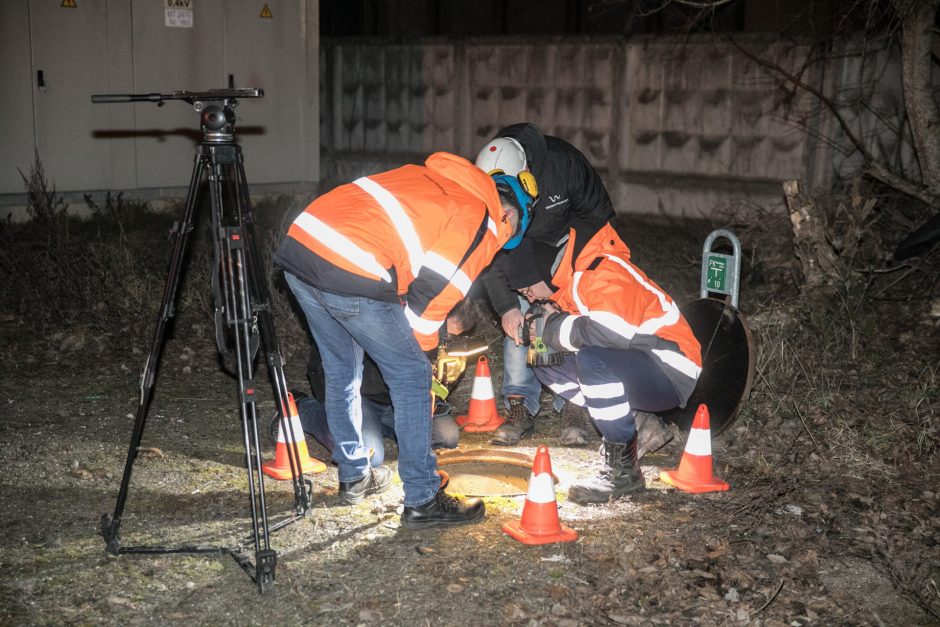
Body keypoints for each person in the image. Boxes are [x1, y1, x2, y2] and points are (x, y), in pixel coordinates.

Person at [273, 151, 531, 527]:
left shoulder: (437, 181)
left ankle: (354, 475)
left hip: (303, 247)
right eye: (508, 235)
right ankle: (423, 497)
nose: (499, 245)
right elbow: (431, 298)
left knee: (342, 368)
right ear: (507, 217)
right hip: (352, 265)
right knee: (411, 376)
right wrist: (421, 358)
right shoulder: (482, 219)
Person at [507, 222, 702, 504]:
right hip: (640, 363)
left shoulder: (602, 270)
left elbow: (612, 333)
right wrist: (538, 335)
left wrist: (553, 327)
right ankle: (633, 422)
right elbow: (580, 336)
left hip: (672, 367)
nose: (531, 298)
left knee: (592, 359)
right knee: (543, 359)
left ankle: (623, 471)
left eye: (528, 291)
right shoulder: (568, 289)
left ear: (541, 273)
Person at [474, 123, 617, 447]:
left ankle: (575, 405)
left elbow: (601, 225)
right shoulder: (489, 194)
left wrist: (565, 287)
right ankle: (520, 404)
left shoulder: (564, 166)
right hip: (523, 249)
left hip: (571, 243)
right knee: (522, 322)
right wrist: (507, 307)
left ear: (526, 177)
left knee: (572, 320)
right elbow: (489, 251)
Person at [291, 299, 489, 466]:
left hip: (396, 400)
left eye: (455, 337)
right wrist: (419, 372)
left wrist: (442, 378)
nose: (445, 341)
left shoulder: (433, 335)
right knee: (371, 457)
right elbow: (361, 374)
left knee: (446, 437)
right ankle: (303, 408)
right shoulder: (388, 316)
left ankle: (383, 427)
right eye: (446, 334)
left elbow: (429, 391)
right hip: (362, 394)